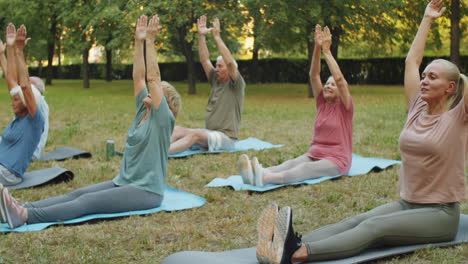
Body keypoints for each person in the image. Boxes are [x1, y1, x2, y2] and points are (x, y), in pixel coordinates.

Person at [255, 1, 467, 263]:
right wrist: (426, 18)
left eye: (432, 77)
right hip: (408, 203)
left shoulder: (458, 118)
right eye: (424, 76)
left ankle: (296, 255)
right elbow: (411, 61)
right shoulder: (416, 108)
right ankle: (291, 241)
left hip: (440, 214)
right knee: (358, 219)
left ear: (450, 88)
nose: (424, 80)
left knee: (372, 228)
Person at [0, 14, 182, 229]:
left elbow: (152, 78)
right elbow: (139, 77)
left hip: (146, 191)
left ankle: (24, 215)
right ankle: (23, 206)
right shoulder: (144, 108)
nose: (151, 90)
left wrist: (150, 41)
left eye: (157, 91)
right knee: (78, 193)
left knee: (85, 202)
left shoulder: (162, 120)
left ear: (165, 104)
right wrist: (138, 40)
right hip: (123, 181)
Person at [238, 25, 353, 187]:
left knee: (306, 168)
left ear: (341, 91)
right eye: (327, 83)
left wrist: (327, 51)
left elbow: (340, 79)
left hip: (337, 160)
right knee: (291, 163)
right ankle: (257, 172)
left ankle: (265, 179)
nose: (328, 86)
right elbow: (314, 75)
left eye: (332, 85)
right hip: (316, 153)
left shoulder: (345, 107)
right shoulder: (321, 102)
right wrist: (317, 48)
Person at [169, 15, 245, 154]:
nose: (216, 68)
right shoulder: (215, 79)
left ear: (229, 69)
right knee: (176, 130)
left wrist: (217, 37)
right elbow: (204, 60)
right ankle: (155, 148)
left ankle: (159, 155)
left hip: (226, 139)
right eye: (216, 65)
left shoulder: (236, 84)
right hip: (210, 133)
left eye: (220, 66)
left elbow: (229, 62)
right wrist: (201, 37)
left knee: (194, 136)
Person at [0, 24, 44, 187]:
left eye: (17, 100)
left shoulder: (34, 119)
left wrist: (19, 52)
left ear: (26, 103)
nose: (13, 102)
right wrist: (9, 48)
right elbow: (11, 80)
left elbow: (24, 86)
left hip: (7, 173)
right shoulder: (19, 116)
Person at [0, 40, 49, 161]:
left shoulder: (38, 104)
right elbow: (11, 79)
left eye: (26, 85)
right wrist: (2, 55)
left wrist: (17, 51)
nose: (22, 85)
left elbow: (17, 84)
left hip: (27, 152)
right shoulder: (25, 105)